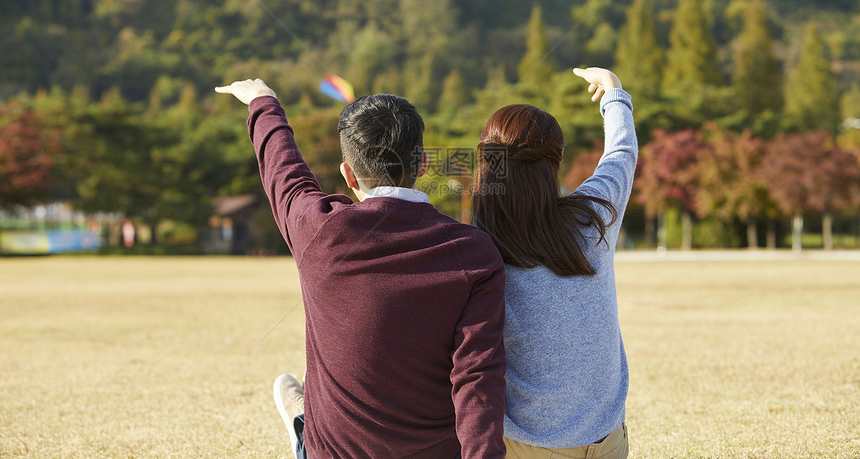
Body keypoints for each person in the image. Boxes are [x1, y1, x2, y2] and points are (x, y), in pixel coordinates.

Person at [215, 79, 506, 459]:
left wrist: (263, 103)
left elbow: (284, 173)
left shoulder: (318, 229)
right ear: (422, 164)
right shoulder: (475, 252)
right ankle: (302, 415)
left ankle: (302, 422)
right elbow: (476, 377)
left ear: (349, 176)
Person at [470, 67, 637, 459]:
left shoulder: (477, 250)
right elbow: (622, 152)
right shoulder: (593, 220)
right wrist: (614, 92)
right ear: (555, 162)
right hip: (607, 443)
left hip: (523, 447)